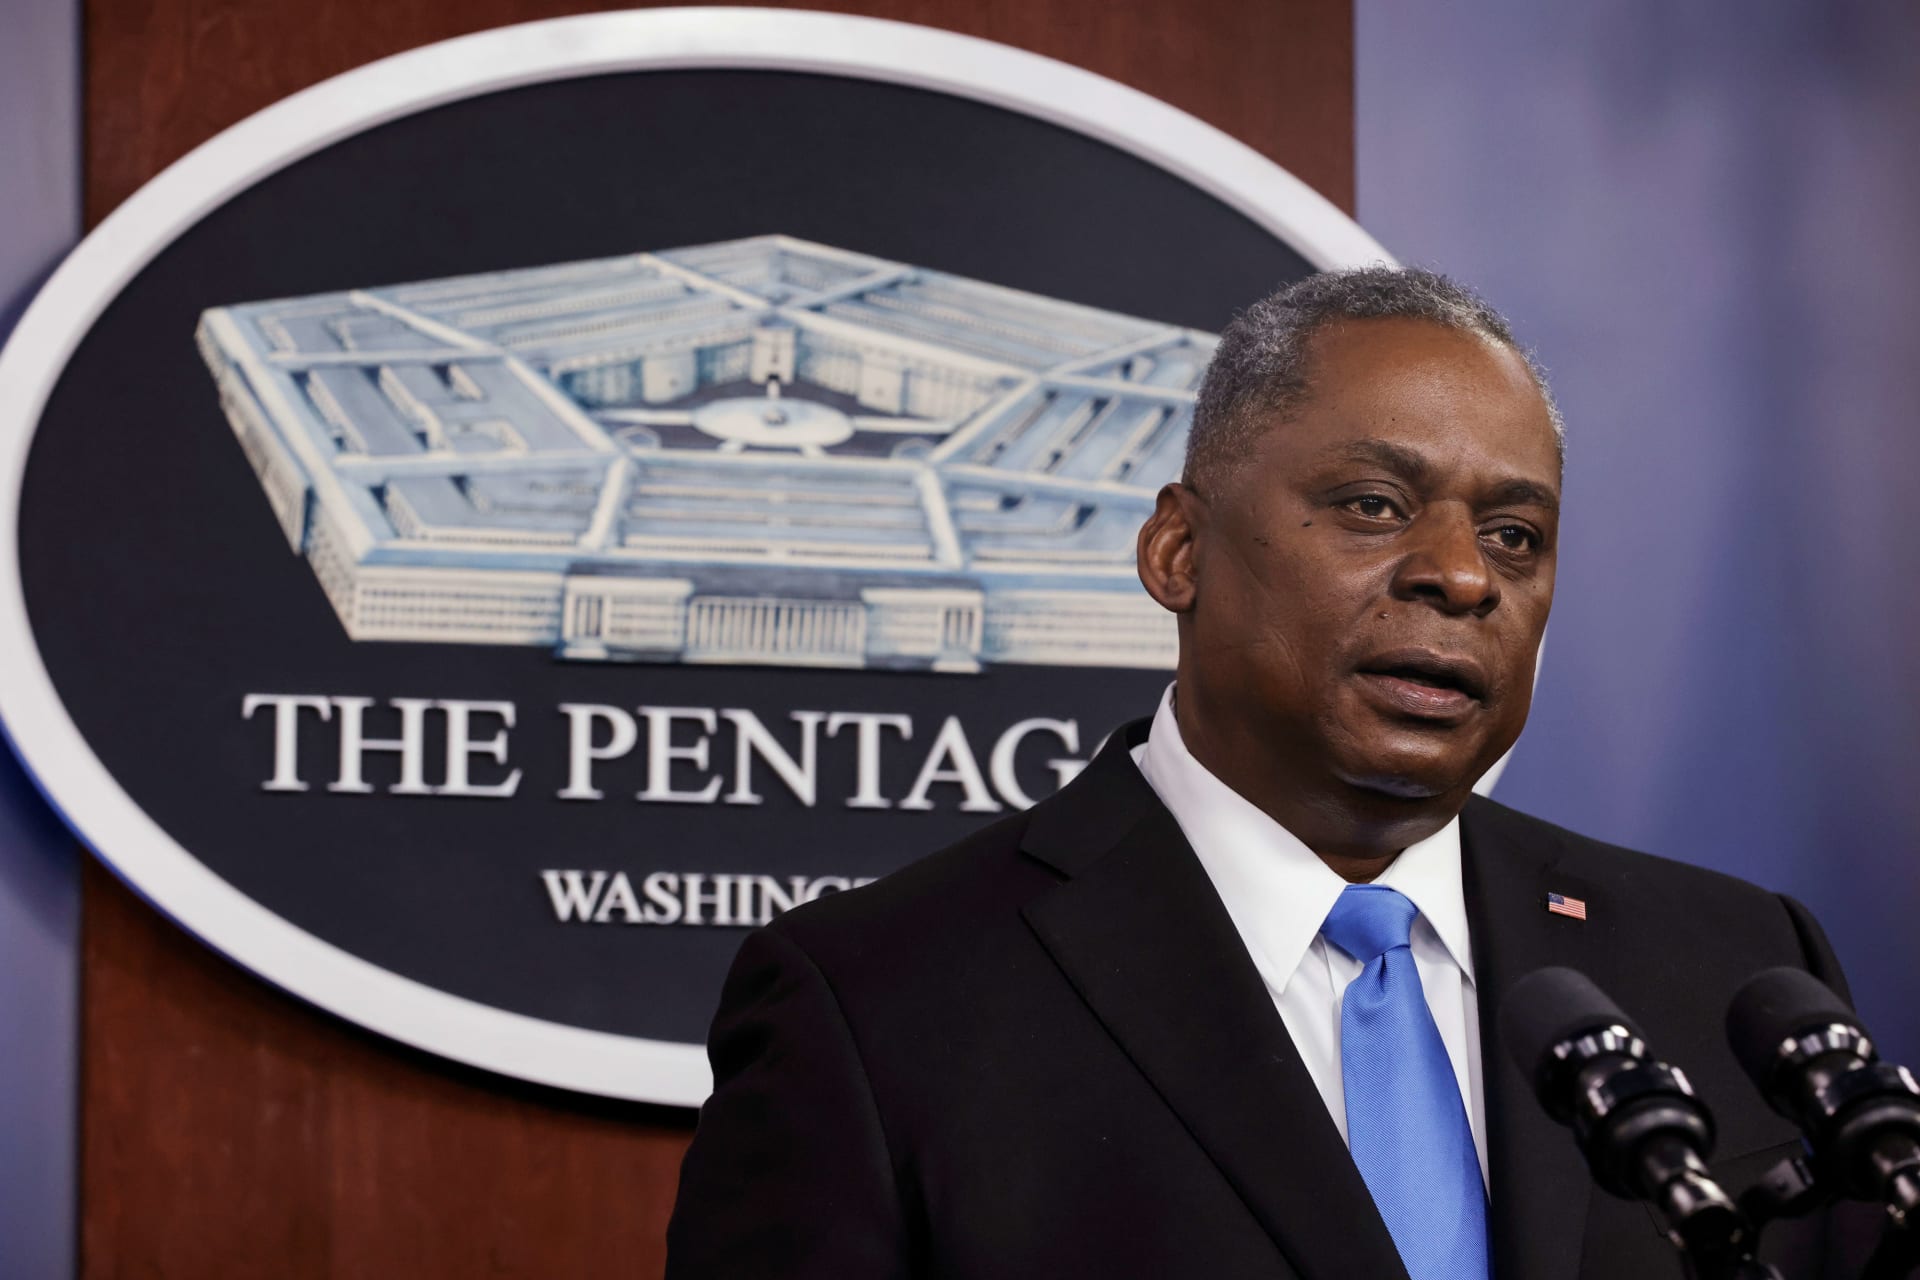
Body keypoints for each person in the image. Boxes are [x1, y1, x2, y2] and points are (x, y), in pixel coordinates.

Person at [664, 268, 1861, 1279]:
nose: (1462, 576)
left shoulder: (1739, 968)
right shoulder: (876, 1007)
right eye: (1375, 504)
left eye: (1514, 535)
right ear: (1178, 550)